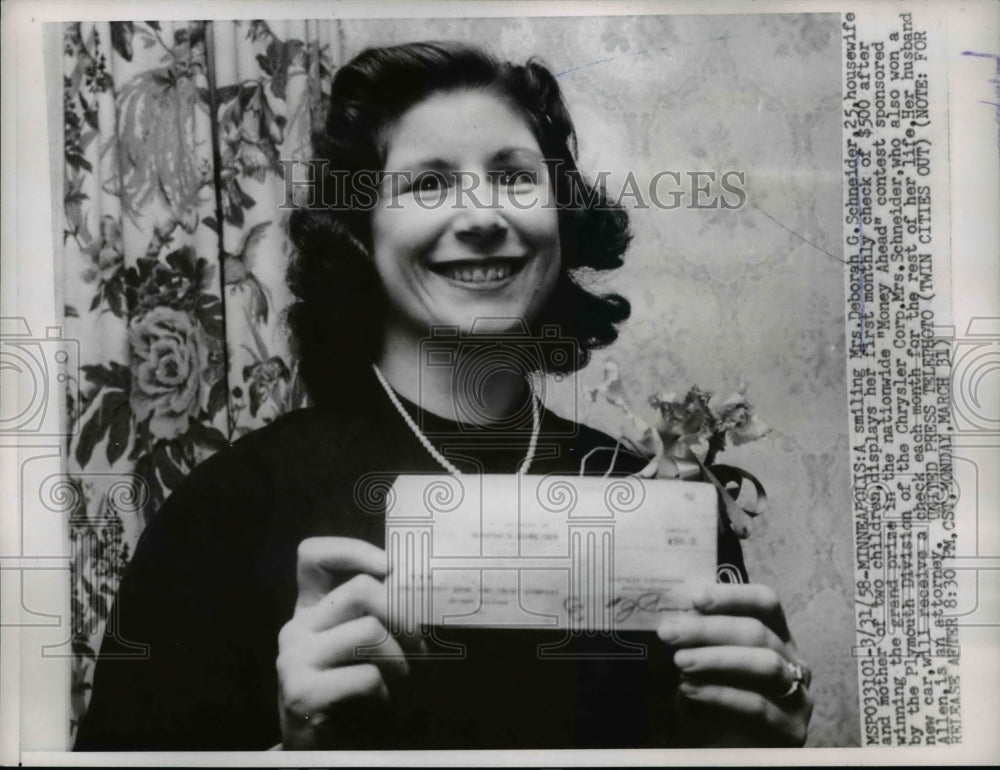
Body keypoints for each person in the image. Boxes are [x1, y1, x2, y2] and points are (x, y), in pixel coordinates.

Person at [76, 41, 813, 751]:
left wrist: (745, 745)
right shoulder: (232, 507)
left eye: (515, 177)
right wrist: (295, 750)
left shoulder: (653, 502)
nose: (484, 216)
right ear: (361, 231)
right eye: (428, 183)